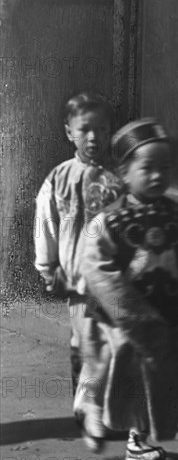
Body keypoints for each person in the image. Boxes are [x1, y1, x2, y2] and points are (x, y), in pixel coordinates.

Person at [74, 117, 178, 460]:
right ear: (124, 173)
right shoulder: (109, 221)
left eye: (164, 168)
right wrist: (131, 314)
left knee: (160, 371)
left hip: (164, 310)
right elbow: (95, 266)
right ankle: (120, 425)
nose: (157, 176)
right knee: (124, 365)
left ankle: (139, 433)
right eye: (147, 167)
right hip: (119, 316)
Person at [34, 92, 122, 395]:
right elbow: (47, 223)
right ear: (69, 132)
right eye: (85, 129)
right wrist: (48, 268)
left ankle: (116, 406)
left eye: (101, 129)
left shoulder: (119, 178)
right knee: (85, 340)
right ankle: (87, 406)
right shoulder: (60, 179)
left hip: (118, 276)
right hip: (80, 281)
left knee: (117, 339)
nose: (94, 136)